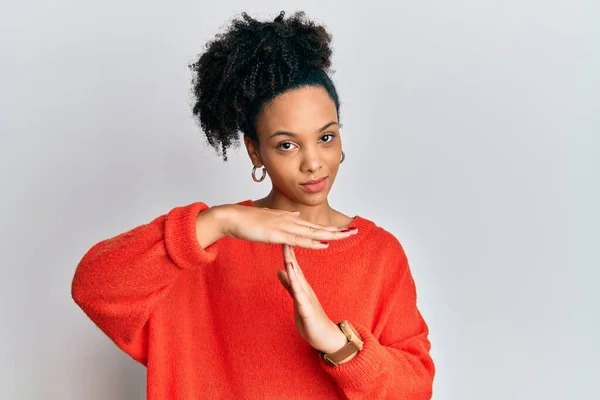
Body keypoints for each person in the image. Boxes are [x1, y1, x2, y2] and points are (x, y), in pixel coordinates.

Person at [71, 10, 435, 399]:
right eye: (287, 145)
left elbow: (415, 388)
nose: (313, 162)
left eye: (326, 137)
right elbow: (94, 287)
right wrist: (219, 223)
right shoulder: (205, 249)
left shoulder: (378, 254)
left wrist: (336, 343)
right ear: (254, 151)